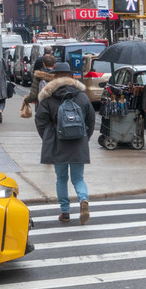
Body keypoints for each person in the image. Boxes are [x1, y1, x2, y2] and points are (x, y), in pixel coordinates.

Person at [35, 62, 94, 224]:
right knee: (78, 178)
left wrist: (48, 138)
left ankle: (65, 212)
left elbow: (40, 121)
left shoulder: (48, 98)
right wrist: (84, 138)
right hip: (78, 143)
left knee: (61, 178)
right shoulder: (82, 96)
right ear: (70, 76)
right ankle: (83, 200)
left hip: (57, 144)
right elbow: (91, 120)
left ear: (54, 76)